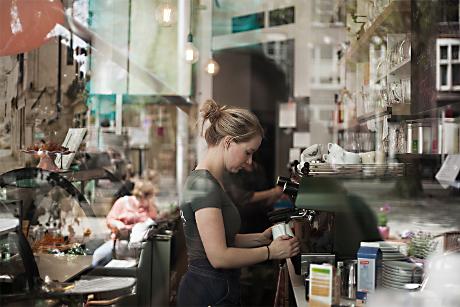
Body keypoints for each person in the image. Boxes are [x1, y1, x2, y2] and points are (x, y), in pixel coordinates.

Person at [177, 99, 299, 306]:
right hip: (207, 291)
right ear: (228, 142)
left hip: (217, 287)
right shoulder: (203, 186)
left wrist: (261, 238)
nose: (249, 161)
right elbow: (218, 256)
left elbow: (222, 239)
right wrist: (271, 252)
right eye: (248, 152)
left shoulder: (212, 182)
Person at [92, 180, 159, 266]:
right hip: (120, 241)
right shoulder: (123, 202)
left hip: (140, 245)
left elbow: (154, 222)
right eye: (144, 197)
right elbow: (110, 220)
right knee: (98, 256)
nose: (145, 202)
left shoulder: (150, 207)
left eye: (149, 198)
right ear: (140, 195)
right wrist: (118, 224)